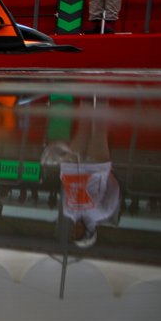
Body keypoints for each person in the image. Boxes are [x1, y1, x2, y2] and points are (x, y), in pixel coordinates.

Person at [42, 98, 120, 248]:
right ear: (89, 232)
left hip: (71, 167)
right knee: (99, 130)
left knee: (82, 129)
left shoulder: (67, 212)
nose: (75, 229)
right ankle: (103, 97)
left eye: (73, 232)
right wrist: (105, 174)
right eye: (78, 232)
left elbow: (66, 190)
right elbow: (114, 190)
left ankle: (87, 98)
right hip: (96, 168)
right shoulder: (103, 213)